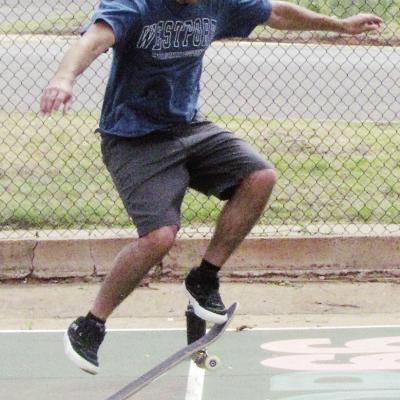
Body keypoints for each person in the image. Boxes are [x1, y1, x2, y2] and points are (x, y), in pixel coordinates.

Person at [40, 0, 381, 375]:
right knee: (159, 237)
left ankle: (204, 278)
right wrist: (63, 78)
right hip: (134, 139)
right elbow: (92, 41)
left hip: (189, 127)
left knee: (260, 176)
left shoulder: (219, 3)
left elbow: (278, 14)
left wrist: (340, 25)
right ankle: (90, 324)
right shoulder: (134, 6)